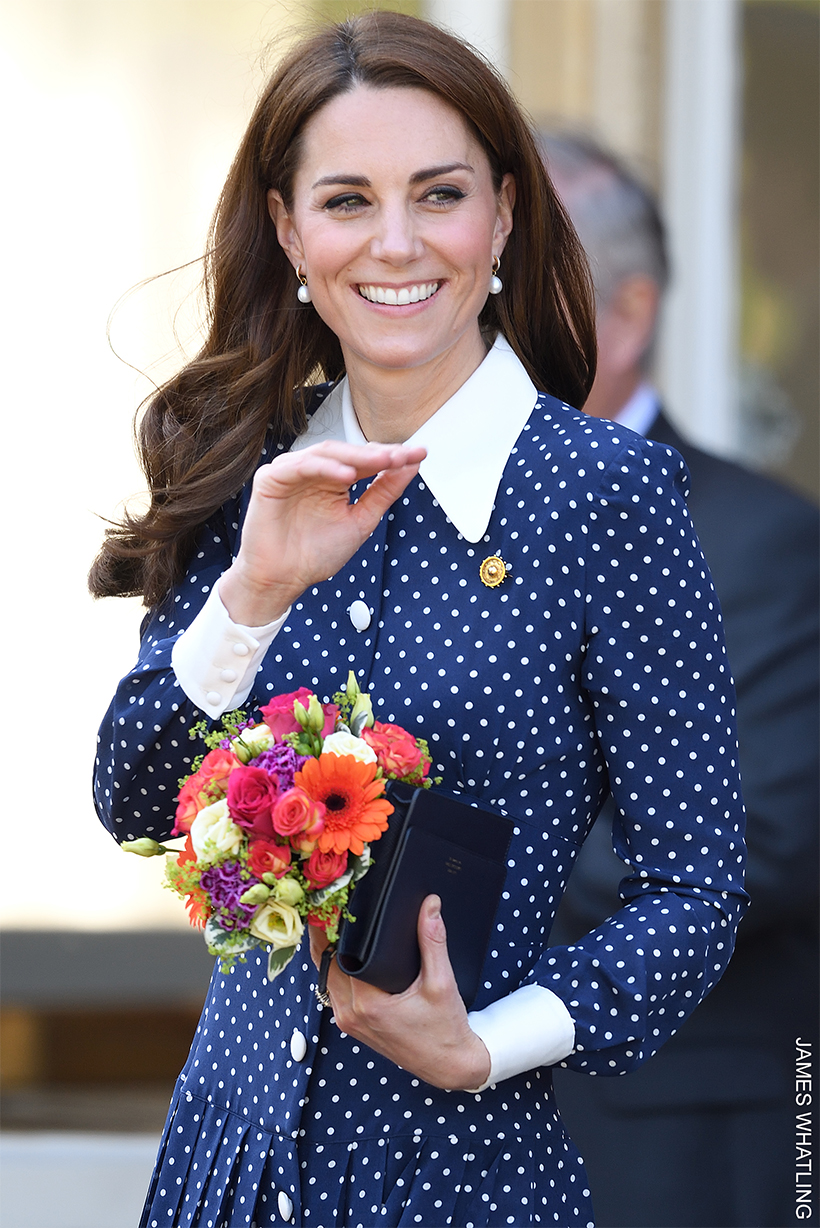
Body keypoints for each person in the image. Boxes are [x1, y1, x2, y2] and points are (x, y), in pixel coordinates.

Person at [90, 15, 748, 1227]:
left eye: (436, 194)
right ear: (289, 230)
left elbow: (695, 884)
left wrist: (488, 1043)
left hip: (460, 1178)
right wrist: (254, 592)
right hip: (224, 1175)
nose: (395, 243)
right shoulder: (242, 469)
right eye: (347, 200)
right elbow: (133, 799)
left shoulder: (603, 494)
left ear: (500, 215)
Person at [540, 131, 820, 1228]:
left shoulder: (759, 542)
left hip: (669, 1140)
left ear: (630, 311)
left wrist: (452, 856)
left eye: (511, 292)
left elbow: (764, 840)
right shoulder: (406, 529)